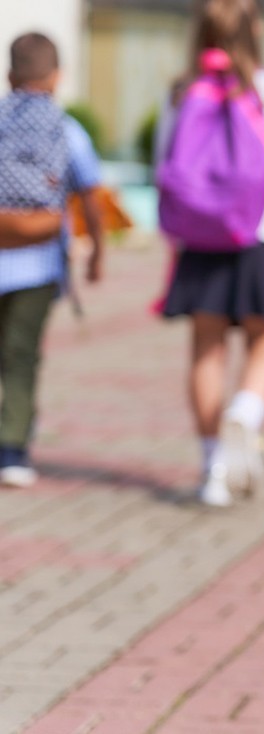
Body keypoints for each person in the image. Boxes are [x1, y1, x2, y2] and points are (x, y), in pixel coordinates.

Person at [154, 0, 264, 507]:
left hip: (199, 240)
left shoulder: (182, 93)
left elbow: (167, 169)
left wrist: (172, 235)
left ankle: (212, 468)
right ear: (255, 31)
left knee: (206, 349)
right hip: (258, 238)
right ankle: (245, 415)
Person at [0, 32, 105, 488]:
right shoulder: (66, 128)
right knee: (21, 356)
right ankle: (12, 449)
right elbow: (90, 194)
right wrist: (97, 250)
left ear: (9, 75)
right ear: (57, 77)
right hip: (39, 265)